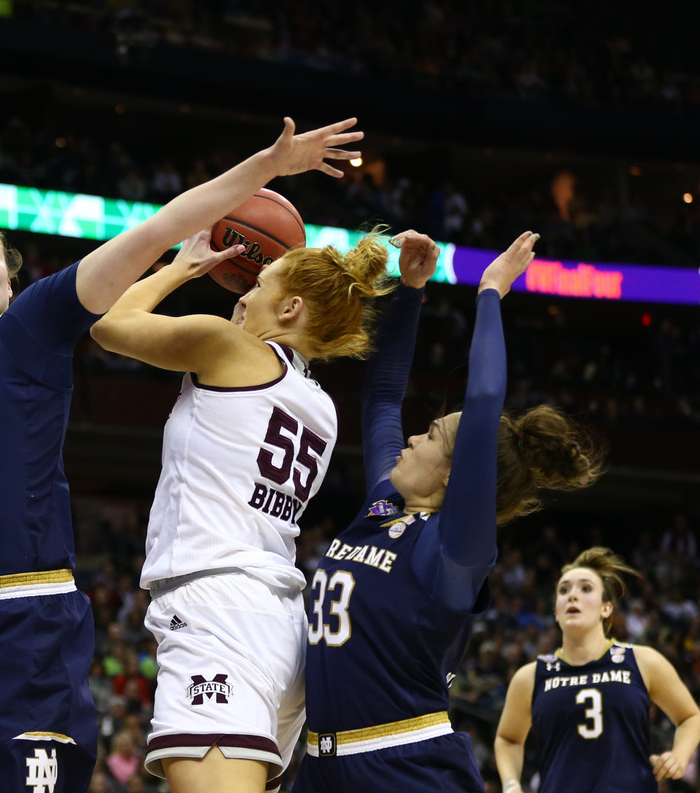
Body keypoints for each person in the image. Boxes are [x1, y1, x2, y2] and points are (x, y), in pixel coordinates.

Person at [0, 116, 365, 793]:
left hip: (195, 601)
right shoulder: (321, 404)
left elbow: (124, 295)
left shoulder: (38, 330)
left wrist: (195, 250)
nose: (243, 290)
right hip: (268, 601)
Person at [293, 231, 606, 792]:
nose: (412, 438)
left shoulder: (454, 549)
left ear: (457, 476)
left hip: (405, 765)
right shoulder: (383, 504)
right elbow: (382, 397)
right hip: (321, 764)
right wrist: (411, 291)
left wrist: (490, 290)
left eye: (432, 435)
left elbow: (483, 402)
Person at [89, 224, 396, 793]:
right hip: (282, 622)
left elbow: (107, 323)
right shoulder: (323, 407)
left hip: (219, 607)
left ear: (291, 308)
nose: (244, 295)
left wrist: (181, 268)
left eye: (258, 284)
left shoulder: (229, 347)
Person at [494, 546, 700, 792]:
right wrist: (511, 783)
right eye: (564, 590)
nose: (572, 595)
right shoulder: (530, 676)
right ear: (556, 612)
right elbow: (508, 739)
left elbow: (690, 717)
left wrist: (679, 756)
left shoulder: (643, 661)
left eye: (586, 588)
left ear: (606, 608)